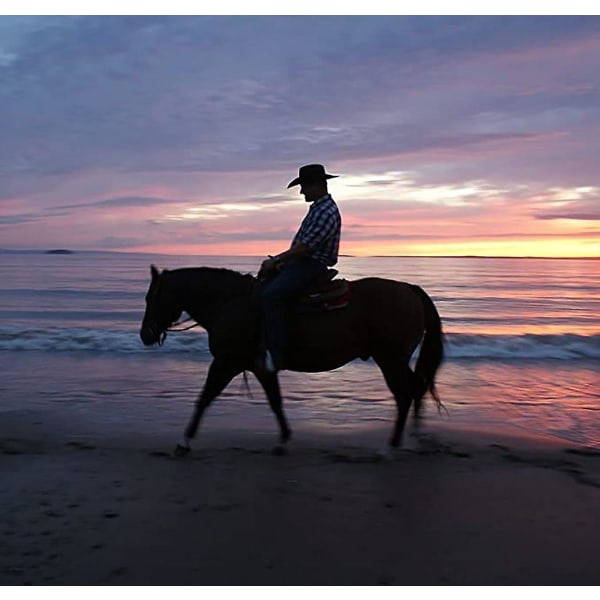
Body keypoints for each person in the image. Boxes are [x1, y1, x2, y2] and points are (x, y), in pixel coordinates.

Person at [258, 163, 342, 372]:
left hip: (311, 264)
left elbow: (305, 248)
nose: (302, 191)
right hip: (302, 262)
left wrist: (276, 260)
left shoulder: (326, 212)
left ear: (317, 185)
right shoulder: (319, 209)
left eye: (304, 186)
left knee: (272, 296)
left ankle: (278, 355)